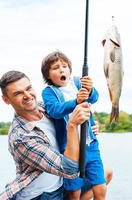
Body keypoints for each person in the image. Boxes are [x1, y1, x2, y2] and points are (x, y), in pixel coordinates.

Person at [0, 70, 112, 200]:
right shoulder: (20, 137)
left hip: (61, 183)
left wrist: (88, 127)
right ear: (6, 100)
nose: (27, 95)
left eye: (28, 88)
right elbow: (69, 169)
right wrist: (73, 126)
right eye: (18, 93)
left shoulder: (45, 108)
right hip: (42, 195)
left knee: (106, 173)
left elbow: (68, 111)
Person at [41, 51, 106, 200]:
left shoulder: (77, 82)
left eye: (64, 66)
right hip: (70, 149)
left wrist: (90, 89)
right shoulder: (49, 92)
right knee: (74, 192)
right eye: (56, 68)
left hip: (90, 145)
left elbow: (94, 98)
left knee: (100, 187)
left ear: (70, 69)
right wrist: (75, 102)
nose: (62, 69)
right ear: (48, 75)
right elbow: (55, 110)